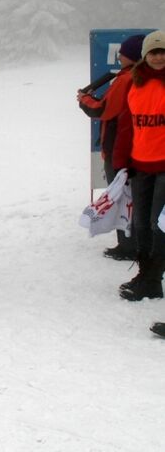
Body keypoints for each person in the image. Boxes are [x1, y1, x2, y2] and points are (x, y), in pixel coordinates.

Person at [77, 34, 144, 260]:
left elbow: (103, 109)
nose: (119, 57)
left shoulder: (126, 79)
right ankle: (133, 243)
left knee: (120, 196)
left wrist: (84, 100)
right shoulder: (141, 78)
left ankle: (128, 245)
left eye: (122, 53)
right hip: (138, 148)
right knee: (134, 197)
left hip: (120, 148)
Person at [112, 30, 165, 301]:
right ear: (145, 56)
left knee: (158, 225)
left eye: (162, 52)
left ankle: (154, 277)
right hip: (141, 164)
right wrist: (122, 161)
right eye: (153, 52)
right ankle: (146, 276)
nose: (158, 57)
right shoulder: (136, 83)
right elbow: (127, 126)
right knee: (141, 224)